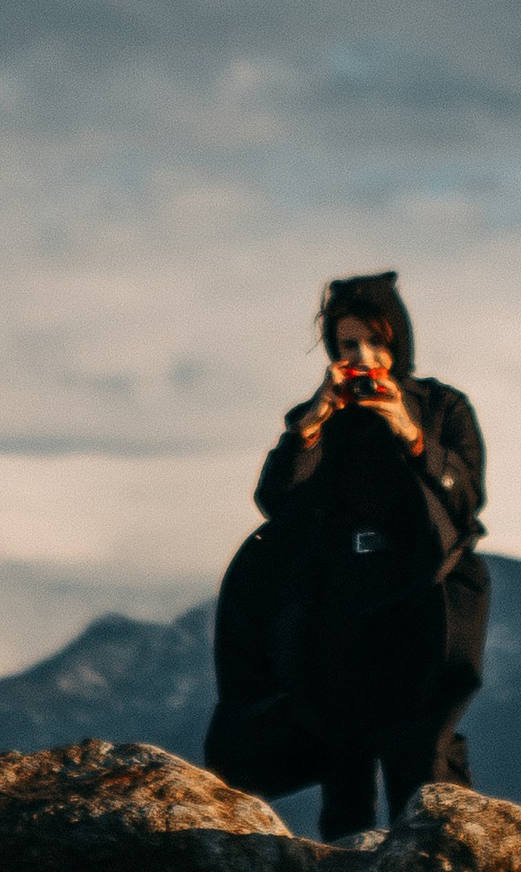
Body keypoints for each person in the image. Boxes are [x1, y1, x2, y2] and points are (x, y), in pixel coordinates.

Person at [204, 268, 489, 838]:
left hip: (421, 601)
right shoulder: (320, 417)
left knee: (424, 749)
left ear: (397, 342)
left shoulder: (442, 408)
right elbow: (275, 498)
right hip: (337, 604)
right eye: (348, 345)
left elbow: (467, 497)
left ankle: (439, 870)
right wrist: (311, 423)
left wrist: (411, 435)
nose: (364, 357)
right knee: (343, 753)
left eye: (376, 342)